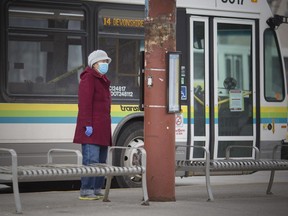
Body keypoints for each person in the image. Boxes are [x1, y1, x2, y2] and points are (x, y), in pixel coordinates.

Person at [73, 50, 112, 200]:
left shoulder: (102, 79)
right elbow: (84, 104)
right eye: (103, 62)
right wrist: (87, 125)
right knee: (91, 160)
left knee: (101, 161)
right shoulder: (89, 78)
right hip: (92, 128)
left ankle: (96, 188)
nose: (105, 64)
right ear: (94, 63)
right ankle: (86, 190)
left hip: (102, 128)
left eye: (106, 62)